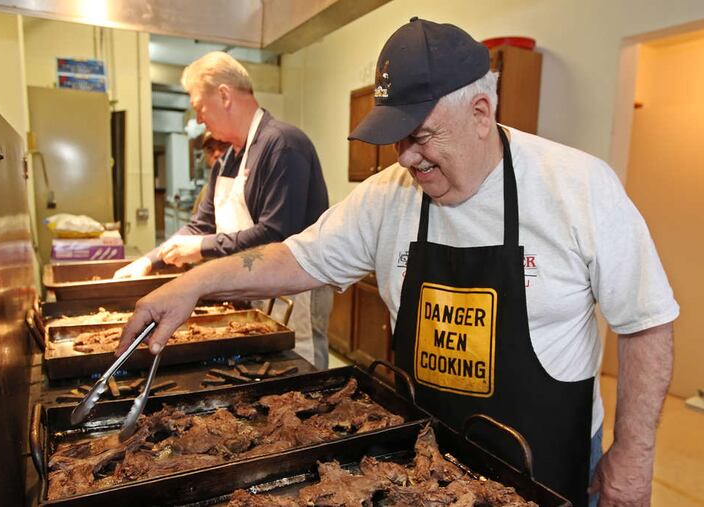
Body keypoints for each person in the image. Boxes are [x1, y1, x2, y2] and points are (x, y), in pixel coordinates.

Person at [117, 18, 677, 507]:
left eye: (422, 136)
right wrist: (193, 284)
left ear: (481, 112)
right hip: (423, 463)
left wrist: (632, 455)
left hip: (543, 465)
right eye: (396, 140)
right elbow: (297, 255)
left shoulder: (577, 187)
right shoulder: (388, 196)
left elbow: (646, 321)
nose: (407, 158)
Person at [114, 51, 331, 368]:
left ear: (224, 95)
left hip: (294, 292)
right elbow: (201, 225)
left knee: (299, 367)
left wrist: (201, 248)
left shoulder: (282, 144)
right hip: (251, 286)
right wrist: (150, 260)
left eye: (199, 107)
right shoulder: (228, 159)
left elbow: (277, 234)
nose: (199, 119)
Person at [191, 131, 229, 214]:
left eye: (222, 147)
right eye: (210, 149)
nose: (216, 154)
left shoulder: (242, 184)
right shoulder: (206, 191)